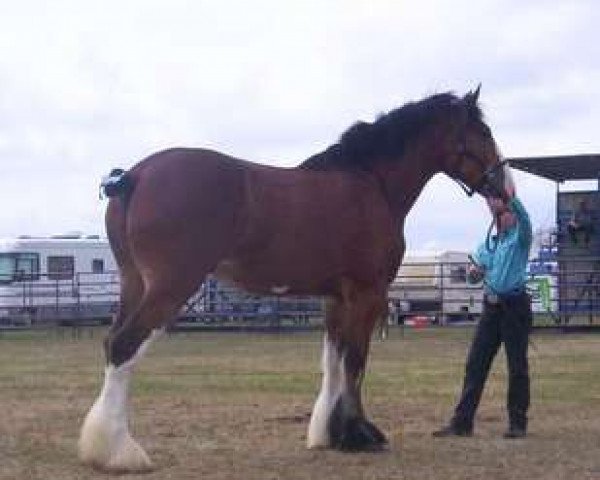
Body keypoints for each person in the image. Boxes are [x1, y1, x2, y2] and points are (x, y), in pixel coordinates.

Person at [433, 190, 533, 439]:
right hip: (492, 308)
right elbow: (474, 270)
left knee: (517, 366)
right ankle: (462, 422)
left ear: (512, 215)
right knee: (475, 364)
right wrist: (473, 273)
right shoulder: (490, 242)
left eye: (506, 213)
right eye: (499, 214)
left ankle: (517, 422)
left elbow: (526, 219)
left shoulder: (521, 238)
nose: (501, 217)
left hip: (514, 307)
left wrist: (511, 199)